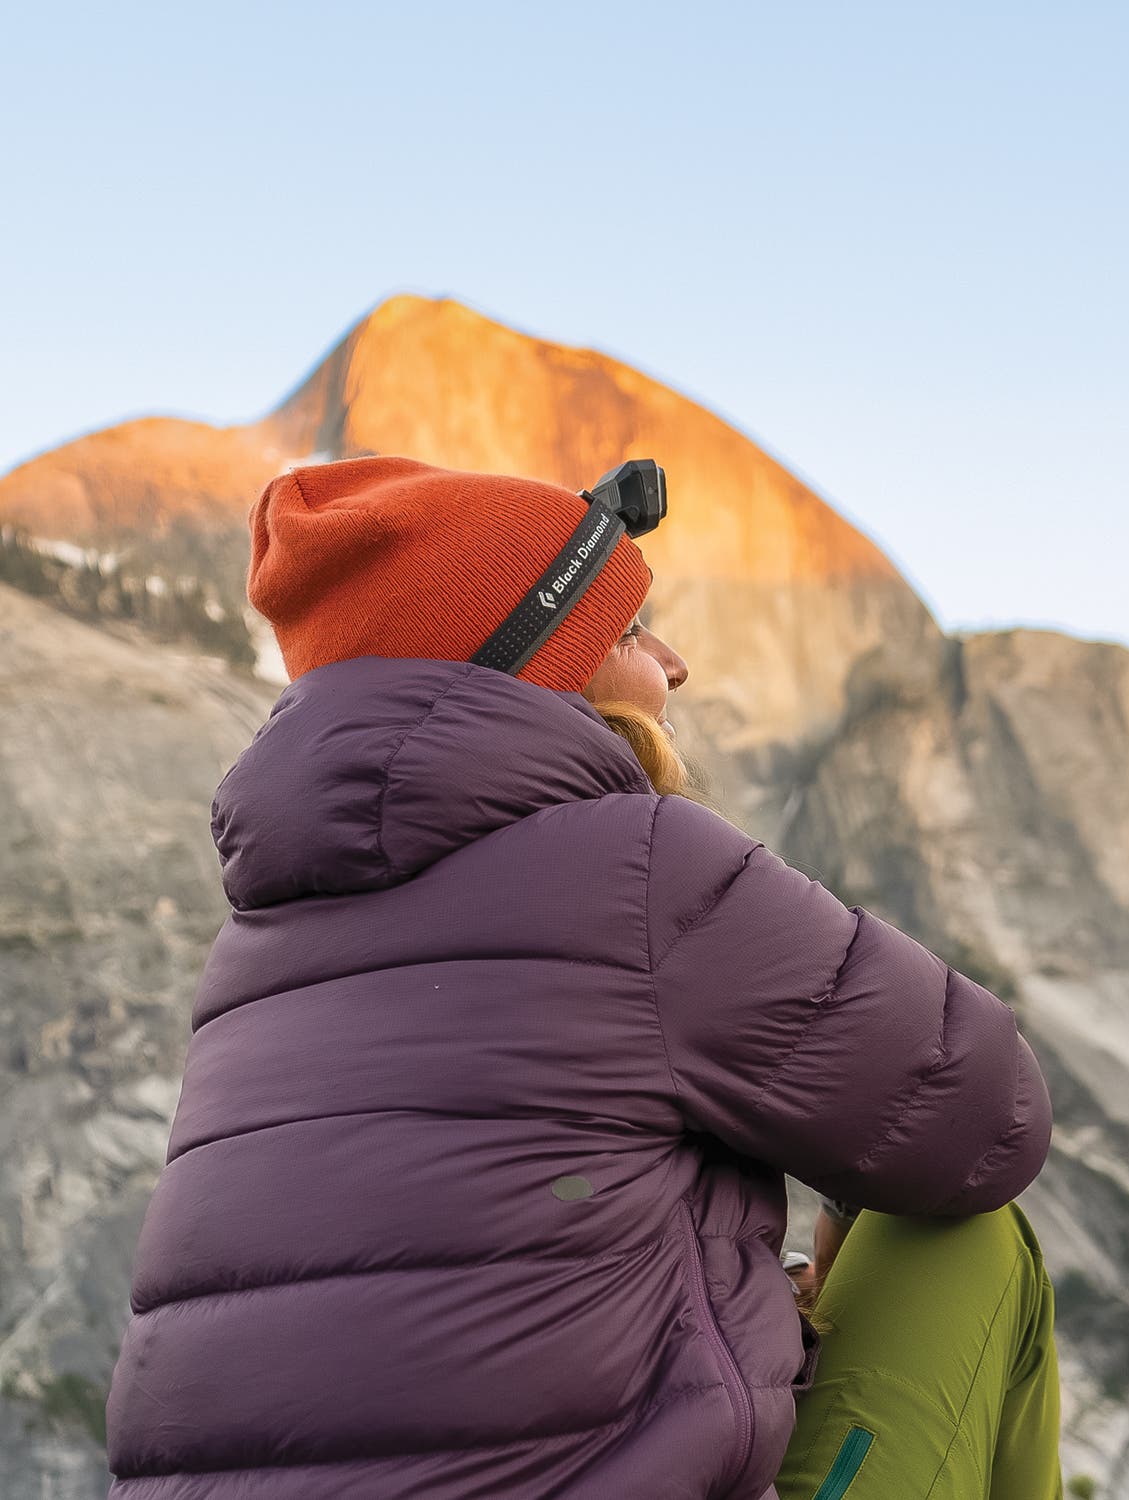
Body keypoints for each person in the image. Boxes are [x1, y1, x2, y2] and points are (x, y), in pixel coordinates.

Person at [105, 456, 1060, 1500]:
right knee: (964, 1239)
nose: (674, 664)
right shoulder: (639, 868)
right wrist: (831, 1204)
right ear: (552, 668)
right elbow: (988, 1116)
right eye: (633, 632)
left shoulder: (251, 966)